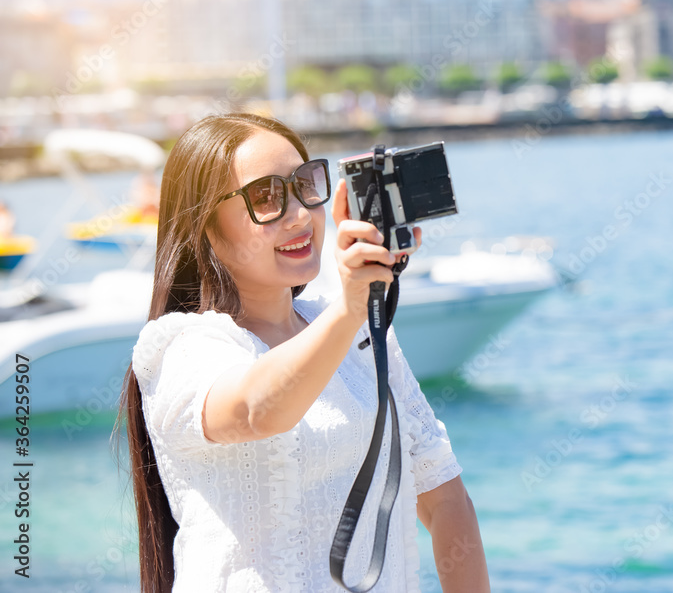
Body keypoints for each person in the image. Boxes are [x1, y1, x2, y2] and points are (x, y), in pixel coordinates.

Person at [116, 113, 489, 592]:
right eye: (266, 197)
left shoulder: (363, 336)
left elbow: (443, 498)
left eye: (304, 185)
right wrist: (353, 306)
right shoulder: (180, 349)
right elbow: (257, 410)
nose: (298, 215)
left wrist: (354, 310)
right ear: (205, 227)